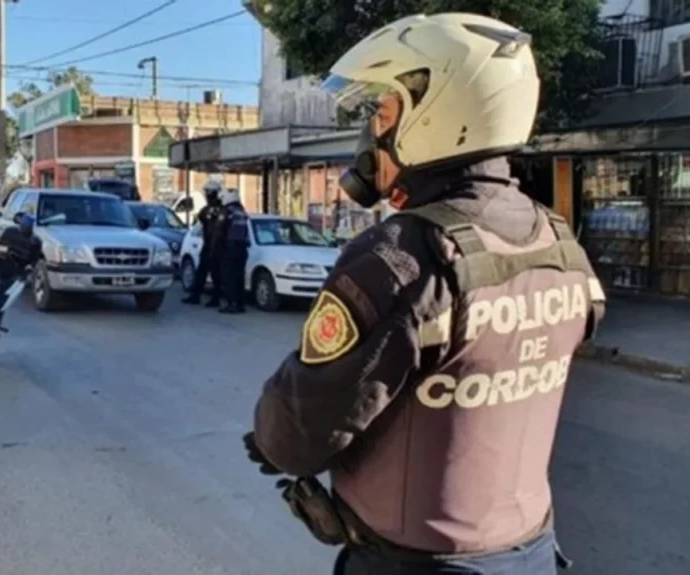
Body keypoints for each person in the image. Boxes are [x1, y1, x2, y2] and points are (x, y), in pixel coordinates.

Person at [244, 13, 606, 575]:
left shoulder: (401, 257)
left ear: (438, 118)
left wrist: (271, 436)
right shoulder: (558, 243)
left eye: (383, 113)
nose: (372, 134)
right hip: (533, 554)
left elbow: (301, 428)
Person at [181, 181, 225, 306]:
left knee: (216, 274)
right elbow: (201, 218)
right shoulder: (210, 209)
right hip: (208, 245)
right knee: (202, 271)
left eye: (207, 192)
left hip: (216, 246)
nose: (206, 195)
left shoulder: (219, 209)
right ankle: (196, 295)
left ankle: (215, 298)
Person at [218, 188, 249, 314]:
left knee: (229, 277)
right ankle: (240, 304)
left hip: (230, 249)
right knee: (239, 277)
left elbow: (220, 231)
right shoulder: (241, 211)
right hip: (242, 249)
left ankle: (231, 304)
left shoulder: (227, 212)